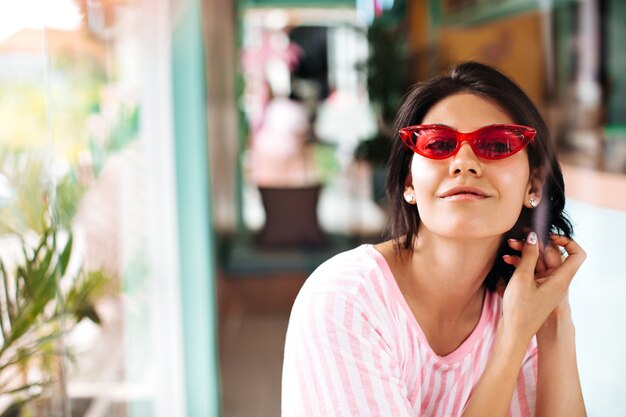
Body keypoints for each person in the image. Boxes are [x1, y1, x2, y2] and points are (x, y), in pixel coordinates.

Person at [281, 62, 587, 417]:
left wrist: (554, 320)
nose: (464, 163)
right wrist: (513, 337)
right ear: (409, 182)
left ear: (532, 185)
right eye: (439, 143)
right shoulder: (344, 302)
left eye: (496, 144)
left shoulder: (519, 304)